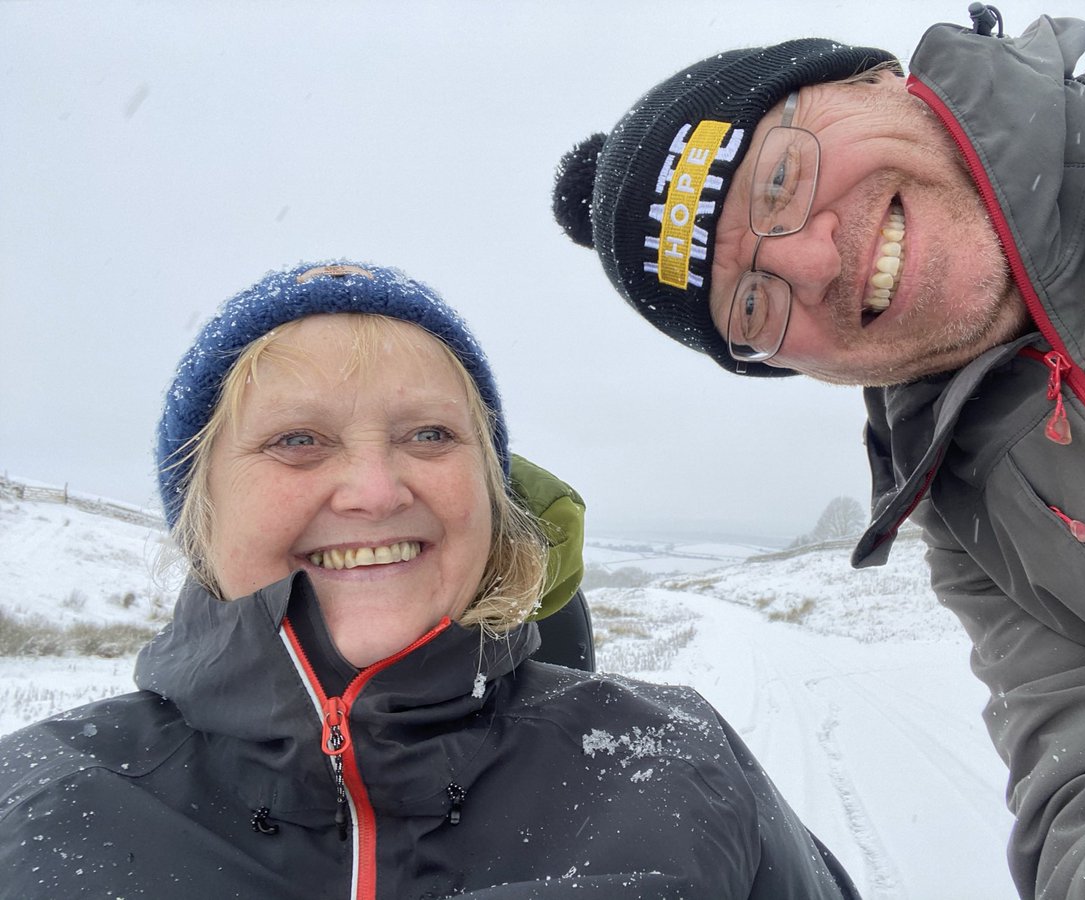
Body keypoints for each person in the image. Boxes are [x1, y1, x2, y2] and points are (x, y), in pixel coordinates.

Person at [553, 5, 1085, 900]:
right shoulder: (973, 521)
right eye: (752, 304)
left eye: (779, 179)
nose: (813, 263)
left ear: (875, 79)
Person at [0, 260, 857, 899]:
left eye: (430, 436)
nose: (376, 491)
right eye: (298, 439)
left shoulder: (679, 765)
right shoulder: (33, 806)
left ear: (489, 497)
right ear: (200, 511)